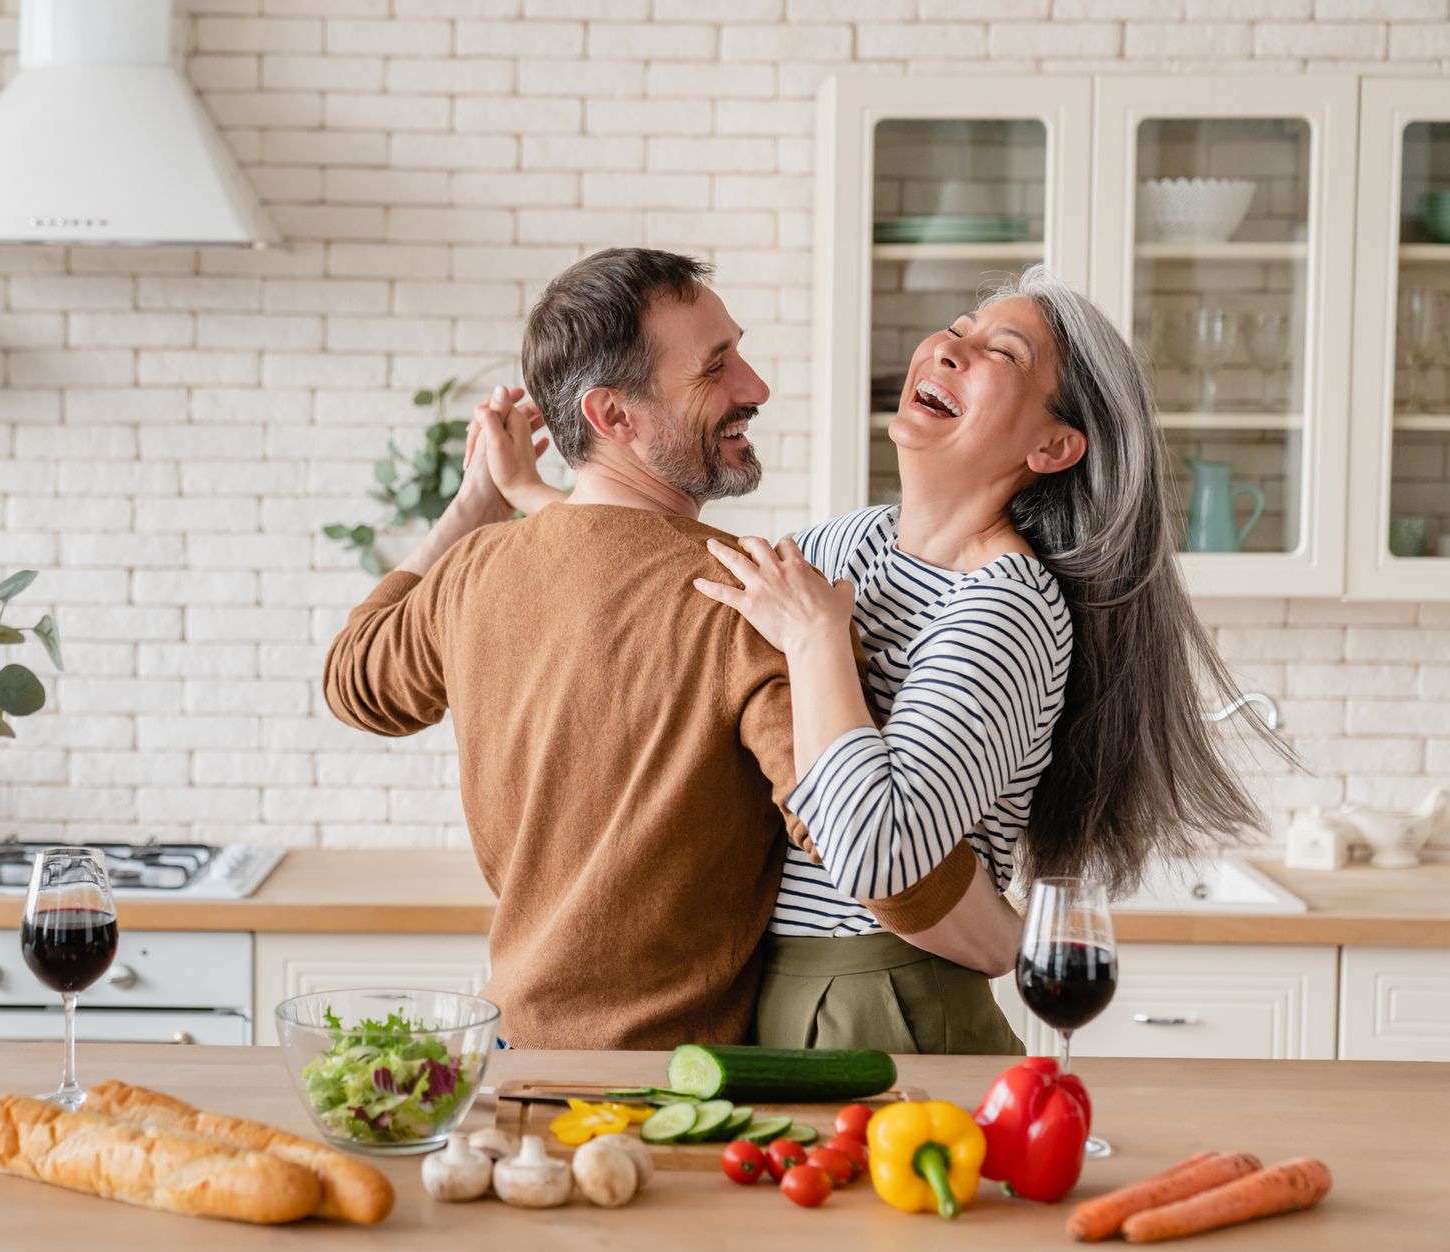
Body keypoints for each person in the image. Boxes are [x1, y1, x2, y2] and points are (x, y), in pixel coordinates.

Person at [486, 262, 1272, 1053]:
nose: (949, 349)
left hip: (891, 998)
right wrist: (531, 494)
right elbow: (676, 579)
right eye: (958, 328)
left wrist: (818, 640)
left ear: (1053, 444)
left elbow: (878, 852)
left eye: (1001, 352)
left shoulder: (1008, 606)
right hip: (773, 991)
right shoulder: (846, 543)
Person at [321, 249, 1008, 1051]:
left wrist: (473, 504)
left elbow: (353, 679)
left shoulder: (474, 571)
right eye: (716, 369)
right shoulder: (750, 601)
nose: (755, 386)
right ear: (614, 417)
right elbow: (875, 855)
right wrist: (1014, 944)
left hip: (508, 1058)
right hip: (665, 1091)